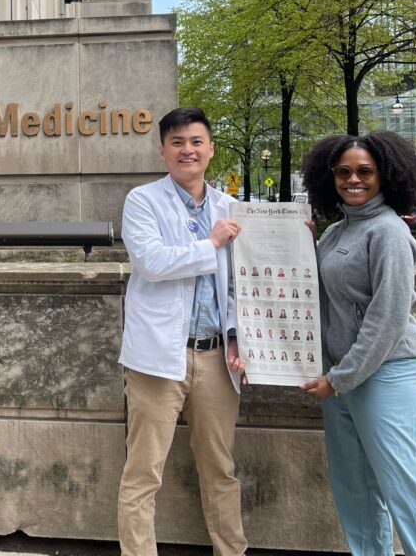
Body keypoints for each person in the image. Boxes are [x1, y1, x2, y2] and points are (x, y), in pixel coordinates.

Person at [298, 131, 416, 556]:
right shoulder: (334, 234)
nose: (353, 179)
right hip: (341, 378)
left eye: (365, 171)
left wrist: (340, 378)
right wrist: (297, 244)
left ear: (385, 175)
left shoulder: (389, 234)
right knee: (356, 490)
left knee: (404, 490)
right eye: (343, 171)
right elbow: (319, 298)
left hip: (384, 376)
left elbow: (387, 318)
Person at [118, 106, 248, 556]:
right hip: (159, 357)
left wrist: (236, 338)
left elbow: (235, 285)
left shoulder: (229, 206)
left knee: (220, 469)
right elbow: (151, 263)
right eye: (177, 142)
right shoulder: (142, 201)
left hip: (216, 359)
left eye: (196, 141)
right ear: (162, 151)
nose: (187, 150)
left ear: (210, 149)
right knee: (143, 472)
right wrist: (210, 243)